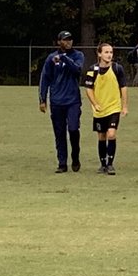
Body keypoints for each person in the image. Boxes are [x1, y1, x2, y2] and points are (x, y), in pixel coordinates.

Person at [38, 30, 85, 173]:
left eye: (70, 39)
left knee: (73, 129)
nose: (68, 42)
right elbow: (45, 78)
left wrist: (64, 58)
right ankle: (62, 163)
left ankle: (75, 156)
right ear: (59, 42)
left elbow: (77, 70)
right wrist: (42, 98)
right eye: (65, 40)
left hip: (73, 101)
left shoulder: (78, 55)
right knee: (59, 133)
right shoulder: (51, 58)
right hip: (57, 101)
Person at [83, 42, 128, 175]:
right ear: (99, 54)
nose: (109, 55)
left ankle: (110, 164)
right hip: (99, 110)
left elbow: (123, 88)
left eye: (111, 52)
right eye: (106, 52)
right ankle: (102, 164)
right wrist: (95, 103)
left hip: (113, 107)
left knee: (111, 134)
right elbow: (88, 89)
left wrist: (124, 105)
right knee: (102, 136)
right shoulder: (92, 70)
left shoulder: (117, 69)